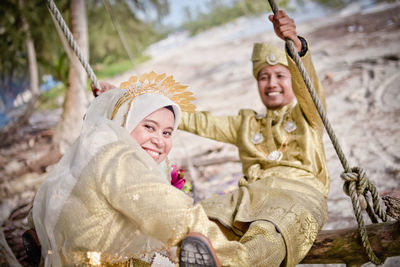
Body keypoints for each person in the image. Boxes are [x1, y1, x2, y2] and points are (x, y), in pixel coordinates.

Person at [31, 72, 250, 266]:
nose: (158, 140)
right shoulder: (118, 159)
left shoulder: (97, 152)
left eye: (166, 133)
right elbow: (171, 213)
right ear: (124, 123)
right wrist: (233, 257)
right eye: (149, 127)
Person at [178, 10, 330, 266]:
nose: (271, 83)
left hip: (299, 193)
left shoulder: (308, 113)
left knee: (267, 231)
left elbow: (309, 85)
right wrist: (134, 102)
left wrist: (296, 44)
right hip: (250, 194)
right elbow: (197, 121)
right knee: (201, 222)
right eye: (264, 76)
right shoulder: (245, 124)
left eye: (280, 76)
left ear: (292, 79)